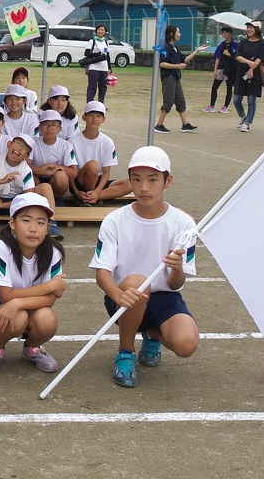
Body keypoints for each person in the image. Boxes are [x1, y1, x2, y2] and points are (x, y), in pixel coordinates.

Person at [89, 146, 199, 388]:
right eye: (136, 180)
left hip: (165, 298)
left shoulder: (184, 224)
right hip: (124, 297)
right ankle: (125, 352)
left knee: (186, 343)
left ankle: (152, 335)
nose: (144, 188)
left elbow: (175, 284)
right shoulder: (114, 220)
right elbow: (102, 272)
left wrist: (178, 268)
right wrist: (119, 296)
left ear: (167, 181)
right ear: (129, 181)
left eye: (152, 179)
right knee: (138, 281)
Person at [0, 193, 65, 374]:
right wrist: (49, 286)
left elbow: (50, 300)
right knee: (18, 316)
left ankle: (32, 348)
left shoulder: (53, 250)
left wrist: (18, 303)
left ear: (48, 227)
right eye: (26, 220)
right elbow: (5, 296)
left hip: (31, 305)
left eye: (41, 222)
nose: (33, 229)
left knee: (47, 319)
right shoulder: (1, 247)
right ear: (13, 223)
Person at [154, 24, 206, 134]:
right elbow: (162, 64)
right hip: (169, 78)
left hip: (176, 78)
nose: (180, 34)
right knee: (168, 101)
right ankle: (159, 125)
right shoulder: (165, 47)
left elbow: (185, 59)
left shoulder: (175, 48)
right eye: (178, 32)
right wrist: (177, 66)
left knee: (180, 101)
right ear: (172, 34)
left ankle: (185, 124)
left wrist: (196, 51)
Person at [233, 20, 264, 133]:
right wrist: (249, 63)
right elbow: (238, 56)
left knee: (251, 101)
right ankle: (243, 116)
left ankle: (248, 123)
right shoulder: (243, 42)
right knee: (236, 99)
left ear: (257, 29)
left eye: (251, 27)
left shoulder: (262, 43)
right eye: (248, 27)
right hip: (242, 72)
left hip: (255, 74)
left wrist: (252, 68)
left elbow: (261, 57)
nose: (249, 29)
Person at [204, 27, 238, 113]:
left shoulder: (236, 44)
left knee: (229, 87)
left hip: (230, 69)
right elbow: (217, 58)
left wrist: (229, 54)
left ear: (230, 33)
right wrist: (215, 70)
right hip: (221, 67)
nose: (224, 34)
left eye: (226, 32)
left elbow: (237, 58)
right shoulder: (221, 44)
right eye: (223, 33)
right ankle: (211, 106)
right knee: (215, 87)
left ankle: (225, 107)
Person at [84, 23, 112, 103]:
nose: (100, 31)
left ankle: (101, 103)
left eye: (102, 30)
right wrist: (98, 54)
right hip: (94, 67)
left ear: (105, 32)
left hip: (104, 68)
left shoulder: (106, 42)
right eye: (99, 29)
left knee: (103, 87)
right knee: (92, 87)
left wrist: (109, 68)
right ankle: (90, 103)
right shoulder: (92, 41)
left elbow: (108, 56)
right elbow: (86, 53)